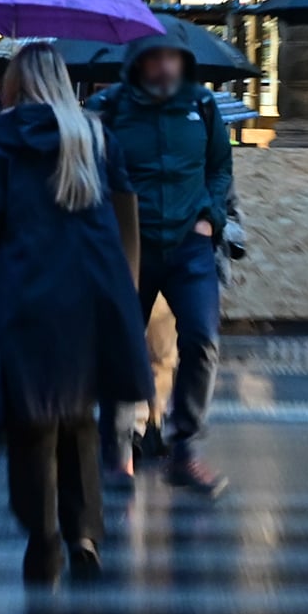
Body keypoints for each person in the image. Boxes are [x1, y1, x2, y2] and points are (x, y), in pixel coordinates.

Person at [0, 42, 152, 584]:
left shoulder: (0, 138)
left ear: (16, 84)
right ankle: (85, 531)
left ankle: (44, 538)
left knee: (33, 422)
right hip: (91, 297)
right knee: (79, 416)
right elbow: (126, 216)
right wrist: (125, 291)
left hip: (25, 294)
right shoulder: (96, 136)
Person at [87, 26, 233, 497]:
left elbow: (219, 168)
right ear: (138, 63)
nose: (165, 67)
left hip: (190, 245)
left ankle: (183, 448)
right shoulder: (108, 108)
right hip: (131, 244)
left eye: (173, 58)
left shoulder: (202, 105)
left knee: (202, 340)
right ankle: (117, 454)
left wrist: (211, 217)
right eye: (156, 58)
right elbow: (86, 171)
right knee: (121, 346)